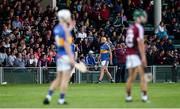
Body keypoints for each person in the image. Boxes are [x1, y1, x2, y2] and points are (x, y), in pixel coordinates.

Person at [43, 9, 75, 105]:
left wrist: (70, 28)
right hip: (65, 56)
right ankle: (61, 99)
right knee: (65, 79)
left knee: (58, 78)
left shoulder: (57, 28)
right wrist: (72, 59)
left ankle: (48, 96)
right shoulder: (65, 30)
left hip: (59, 56)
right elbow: (66, 45)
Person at [125, 9, 148, 102]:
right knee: (143, 76)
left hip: (129, 55)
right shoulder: (139, 28)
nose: (144, 18)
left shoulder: (130, 28)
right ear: (138, 17)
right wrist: (143, 57)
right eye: (142, 16)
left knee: (131, 77)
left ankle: (128, 97)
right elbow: (141, 43)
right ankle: (144, 96)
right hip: (135, 54)